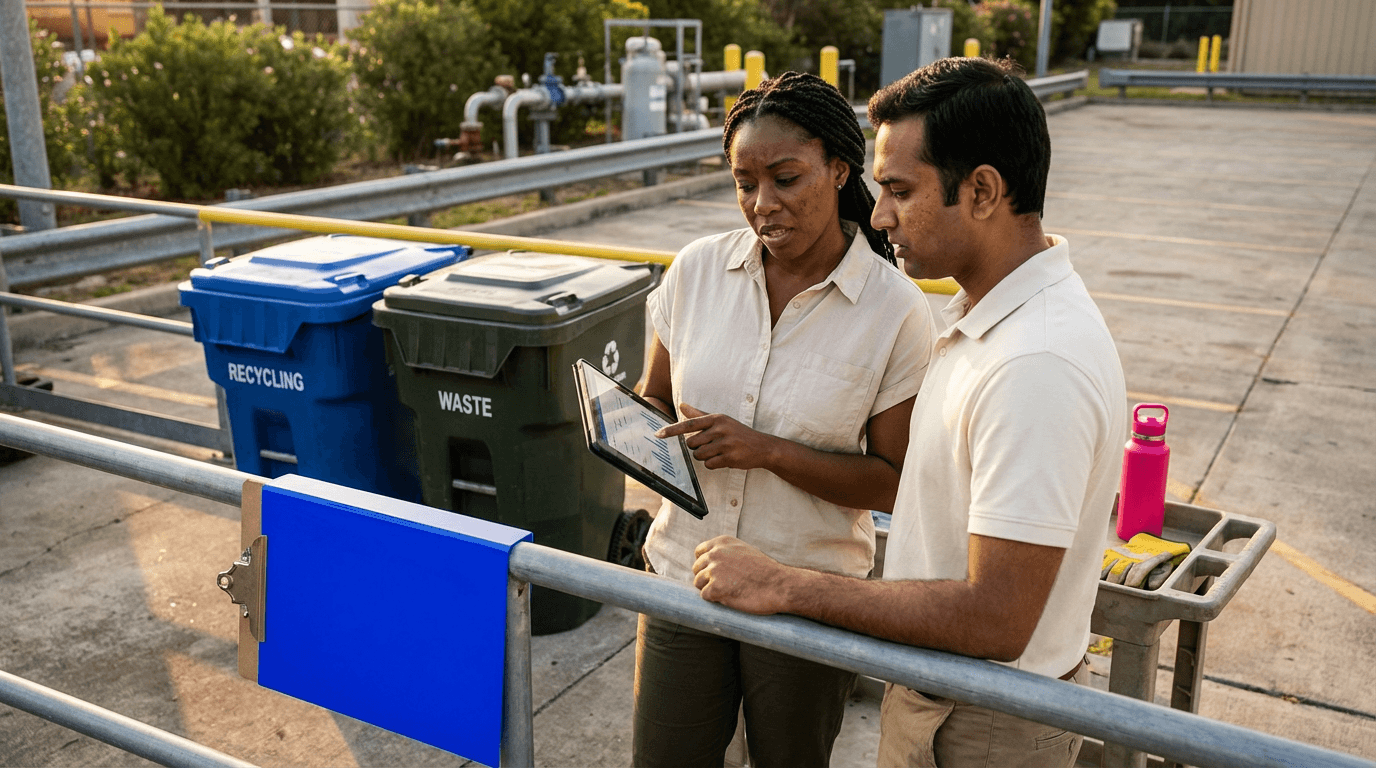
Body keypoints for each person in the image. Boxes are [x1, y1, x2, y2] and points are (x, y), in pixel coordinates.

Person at [691, 57, 1127, 768]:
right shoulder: (990, 318)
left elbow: (996, 618)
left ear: (982, 190)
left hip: (981, 720)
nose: (880, 212)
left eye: (899, 189)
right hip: (951, 696)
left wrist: (783, 584)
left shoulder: (1035, 363)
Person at [633, 71, 936, 768]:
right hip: (683, 577)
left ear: (838, 168)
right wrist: (632, 434)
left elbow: (893, 483)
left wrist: (766, 451)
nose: (762, 204)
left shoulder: (893, 310)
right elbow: (654, 395)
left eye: (786, 178)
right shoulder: (696, 271)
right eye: (744, 183)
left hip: (807, 597)